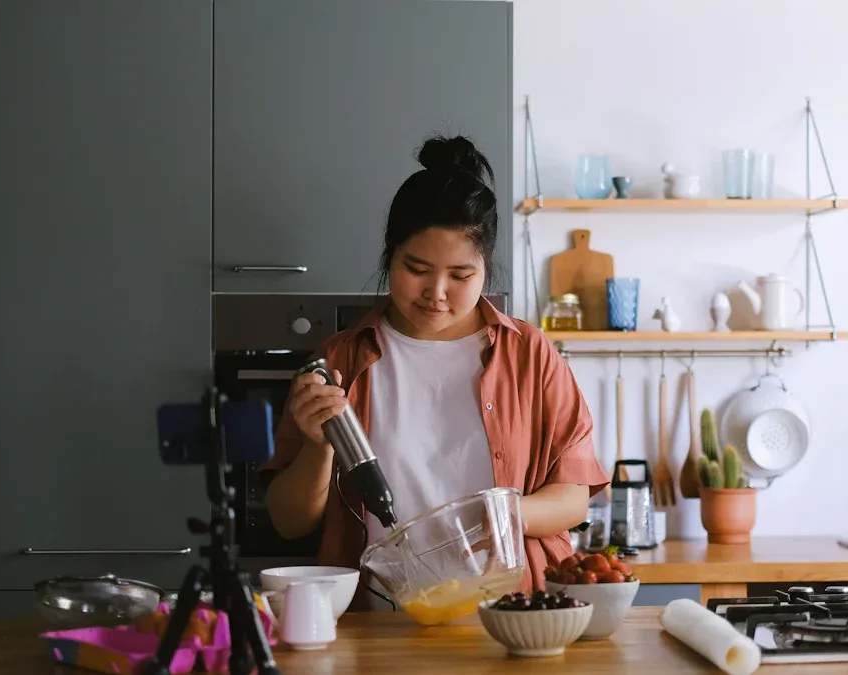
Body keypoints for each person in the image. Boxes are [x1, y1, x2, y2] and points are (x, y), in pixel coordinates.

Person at [260, 133, 609, 608]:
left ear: (486, 269)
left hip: (511, 619)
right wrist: (320, 447)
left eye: (461, 275)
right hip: (379, 623)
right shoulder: (341, 359)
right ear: (390, 254)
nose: (437, 292)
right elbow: (288, 521)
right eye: (416, 268)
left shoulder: (530, 354)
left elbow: (572, 500)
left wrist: (494, 515)